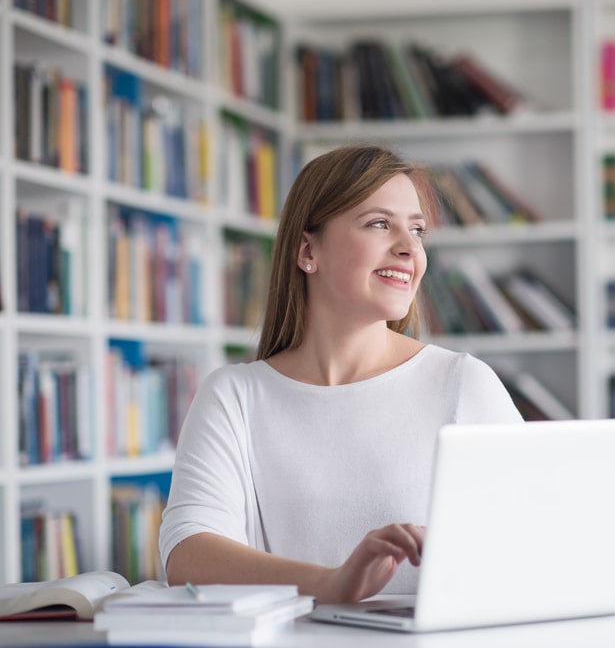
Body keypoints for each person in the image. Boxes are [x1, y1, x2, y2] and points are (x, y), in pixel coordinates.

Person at [159, 144, 523, 604]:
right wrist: (331, 584)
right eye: (379, 224)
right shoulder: (234, 397)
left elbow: (531, 541)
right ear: (308, 249)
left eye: (417, 230)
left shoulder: (463, 383)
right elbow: (187, 554)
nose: (409, 247)